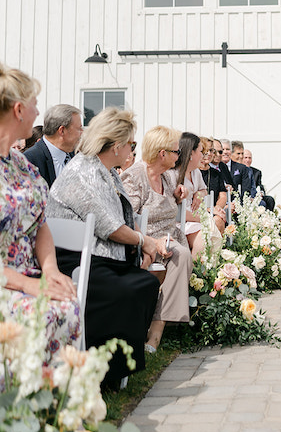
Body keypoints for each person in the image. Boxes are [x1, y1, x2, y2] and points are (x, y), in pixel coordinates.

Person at [47, 107, 168, 389]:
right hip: (76, 261)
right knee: (132, 288)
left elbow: (122, 217)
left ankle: (115, 365)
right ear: (117, 146)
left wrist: (142, 244)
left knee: (146, 283)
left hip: (101, 256)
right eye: (131, 144)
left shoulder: (107, 171)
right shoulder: (82, 172)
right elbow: (109, 226)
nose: (131, 150)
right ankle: (102, 370)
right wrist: (145, 241)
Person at [0, 63, 80, 360]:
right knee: (42, 312)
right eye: (34, 104)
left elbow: (40, 223)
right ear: (19, 110)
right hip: (7, 281)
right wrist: (28, 285)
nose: (37, 113)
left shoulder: (22, 165)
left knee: (67, 303)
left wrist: (50, 270)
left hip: (30, 273)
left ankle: (50, 393)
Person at [121, 126, 193, 352]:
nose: (178, 156)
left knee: (180, 252)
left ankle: (158, 326)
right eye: (175, 152)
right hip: (145, 241)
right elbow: (127, 218)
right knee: (180, 254)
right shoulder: (133, 177)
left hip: (171, 237)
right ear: (162, 154)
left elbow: (170, 205)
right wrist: (151, 241)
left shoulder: (169, 177)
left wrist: (180, 197)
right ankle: (157, 332)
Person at [24, 103, 83, 187]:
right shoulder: (30, 161)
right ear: (62, 131)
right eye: (79, 128)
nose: (82, 133)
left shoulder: (76, 157)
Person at [170, 132, 207, 257]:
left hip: (192, 219)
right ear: (191, 153)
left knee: (210, 232)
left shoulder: (196, 172)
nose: (203, 155)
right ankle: (195, 273)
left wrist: (199, 194)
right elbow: (174, 211)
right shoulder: (173, 175)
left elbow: (204, 190)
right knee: (205, 236)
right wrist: (202, 218)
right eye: (201, 151)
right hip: (179, 221)